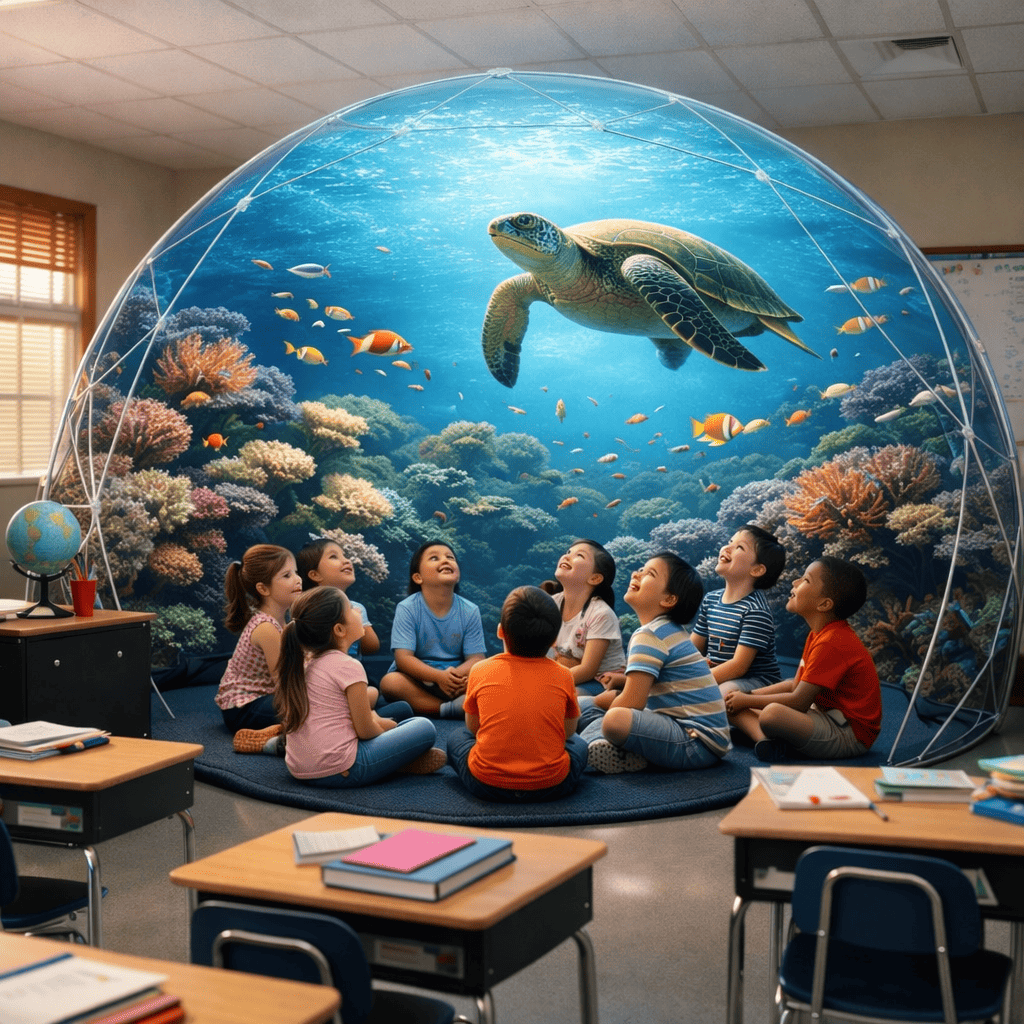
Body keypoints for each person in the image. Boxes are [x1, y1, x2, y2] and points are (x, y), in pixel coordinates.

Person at [273, 586, 445, 786]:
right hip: (343, 769)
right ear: (339, 629)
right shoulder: (348, 666)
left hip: (299, 769)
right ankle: (396, 762)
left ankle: (394, 760)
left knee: (402, 709)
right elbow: (365, 731)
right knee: (424, 727)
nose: (358, 612)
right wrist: (387, 727)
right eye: (351, 609)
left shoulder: (305, 662)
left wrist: (377, 719)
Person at [578, 552, 731, 774]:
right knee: (584, 705)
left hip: (696, 743)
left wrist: (607, 704)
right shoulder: (666, 630)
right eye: (640, 569)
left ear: (669, 599)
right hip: (685, 730)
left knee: (614, 719)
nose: (637, 574)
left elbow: (633, 701)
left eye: (649, 573)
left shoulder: (650, 634)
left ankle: (582, 750)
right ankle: (614, 750)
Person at [723, 556, 882, 762]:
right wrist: (744, 696)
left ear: (824, 604)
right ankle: (765, 740)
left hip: (849, 734)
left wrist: (748, 700)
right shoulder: (819, 633)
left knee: (772, 714)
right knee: (729, 701)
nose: (795, 582)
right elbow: (794, 685)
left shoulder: (832, 642)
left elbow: (798, 701)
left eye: (805, 580)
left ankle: (767, 737)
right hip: (825, 713)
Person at [447, 586, 588, 803]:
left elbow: (473, 727)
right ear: (553, 641)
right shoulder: (564, 675)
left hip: (485, 785)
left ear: (500, 631)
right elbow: (568, 732)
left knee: (457, 738)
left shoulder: (480, 670)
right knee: (579, 745)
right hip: (551, 786)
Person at [379, 541, 487, 717]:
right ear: (418, 577)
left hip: (457, 681)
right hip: (419, 680)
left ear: (458, 574)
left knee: (488, 676)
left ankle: (441, 706)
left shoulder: (470, 610)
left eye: (450, 557)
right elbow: (403, 659)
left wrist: (452, 677)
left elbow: (476, 658)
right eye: (434, 558)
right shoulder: (407, 608)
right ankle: (446, 709)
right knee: (390, 683)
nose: (445, 560)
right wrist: (437, 677)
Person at [215, 545, 301, 749]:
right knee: (315, 712)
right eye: (287, 575)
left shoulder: (283, 623)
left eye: (296, 572)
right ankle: (267, 743)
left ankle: (285, 733)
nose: (298, 579)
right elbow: (284, 683)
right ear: (263, 588)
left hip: (266, 698)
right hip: (245, 708)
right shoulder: (266, 628)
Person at [691, 524, 784, 696]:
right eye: (730, 541)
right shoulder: (710, 599)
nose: (727, 547)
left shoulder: (756, 611)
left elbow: (739, 667)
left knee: (724, 693)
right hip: (719, 676)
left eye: (739, 547)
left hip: (758, 681)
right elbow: (693, 648)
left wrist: (694, 681)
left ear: (757, 569)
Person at [544, 539, 626, 695]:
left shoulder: (601, 614)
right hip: (564, 676)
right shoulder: (550, 604)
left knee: (559, 698)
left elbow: (588, 670)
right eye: (568, 552)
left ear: (595, 578)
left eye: (579, 555)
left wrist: (545, 683)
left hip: (600, 682)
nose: (567, 556)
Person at [296, 538, 381, 658]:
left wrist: (357, 620)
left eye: (345, 555)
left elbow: (372, 646)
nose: (346, 560)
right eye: (334, 557)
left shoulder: (356, 608)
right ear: (315, 574)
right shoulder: (305, 609)